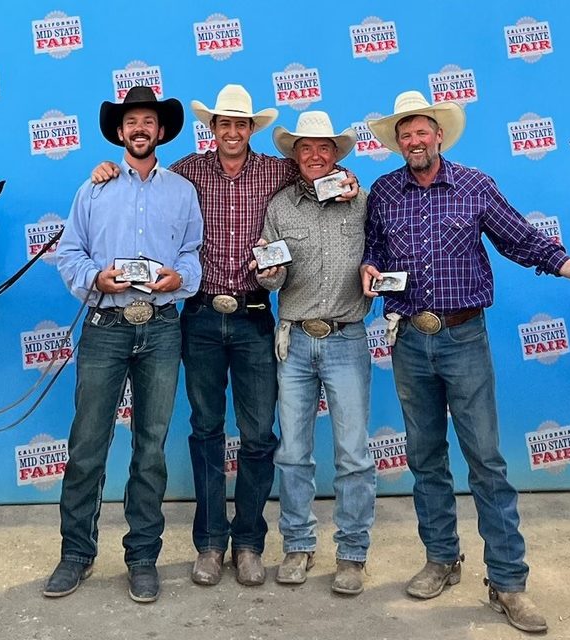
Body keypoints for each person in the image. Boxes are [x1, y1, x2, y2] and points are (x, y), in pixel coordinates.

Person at [361, 91, 570, 632]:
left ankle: (507, 582)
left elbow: (526, 242)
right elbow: (372, 250)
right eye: (404, 134)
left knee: (485, 461)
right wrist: (368, 267)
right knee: (425, 459)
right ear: (398, 142)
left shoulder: (475, 185)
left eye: (421, 131)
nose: (413, 141)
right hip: (409, 339)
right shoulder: (384, 192)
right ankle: (441, 559)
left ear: (439, 135)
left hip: (463, 339)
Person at [91, 84, 357, 587]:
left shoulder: (278, 170)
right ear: (210, 129)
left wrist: (348, 179)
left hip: (256, 317)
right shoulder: (186, 172)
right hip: (201, 317)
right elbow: (136, 181)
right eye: (224, 124)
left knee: (259, 436)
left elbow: (321, 172)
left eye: (241, 124)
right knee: (207, 431)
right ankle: (211, 543)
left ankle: (250, 542)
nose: (232, 132)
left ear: (252, 130)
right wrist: (104, 169)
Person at [43, 86, 203, 604]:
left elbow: (193, 254)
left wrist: (180, 277)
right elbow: (69, 253)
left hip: (160, 326)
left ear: (161, 132)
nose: (140, 129)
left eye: (148, 122)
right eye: (131, 121)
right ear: (119, 132)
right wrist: (97, 278)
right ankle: (76, 554)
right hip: (105, 327)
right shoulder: (92, 190)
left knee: (150, 448)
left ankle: (142, 558)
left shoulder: (182, 191)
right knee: (87, 444)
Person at [254, 111, 375, 595]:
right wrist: (267, 274)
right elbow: (276, 275)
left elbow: (382, 252)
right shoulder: (280, 207)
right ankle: (298, 546)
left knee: (353, 454)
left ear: (337, 155)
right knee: (294, 453)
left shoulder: (361, 200)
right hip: (296, 340)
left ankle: (351, 555)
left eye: (325, 149)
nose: (316, 156)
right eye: (306, 149)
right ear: (295, 155)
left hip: (347, 337)